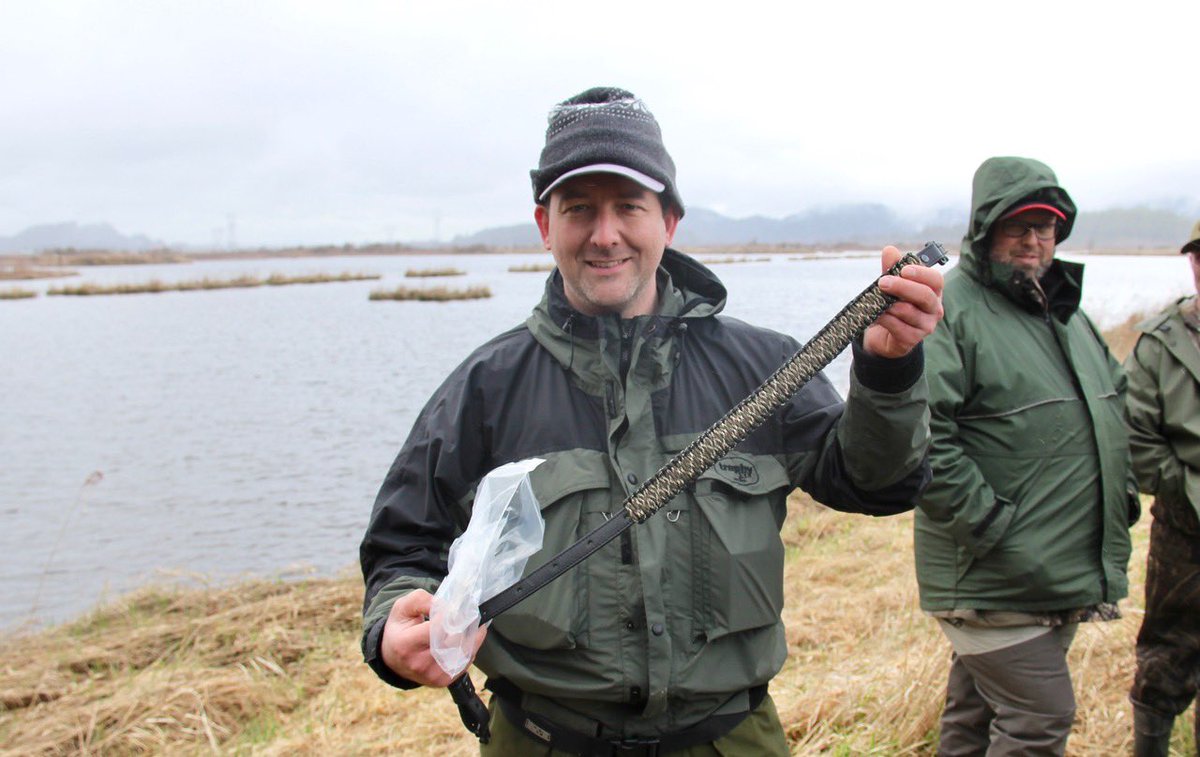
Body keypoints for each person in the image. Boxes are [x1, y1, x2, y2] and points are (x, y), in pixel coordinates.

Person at [360, 86, 945, 756]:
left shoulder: (764, 366)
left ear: (668, 221)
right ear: (545, 225)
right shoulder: (485, 388)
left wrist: (889, 367)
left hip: (732, 738)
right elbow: (402, 546)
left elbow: (876, 484)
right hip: (544, 738)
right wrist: (393, 623)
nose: (604, 234)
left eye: (628, 207)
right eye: (578, 209)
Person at [914, 156, 1138, 755]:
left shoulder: (1061, 311)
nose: (1035, 239)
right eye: (1018, 225)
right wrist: (994, 528)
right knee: (1039, 719)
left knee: (975, 719)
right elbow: (923, 438)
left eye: (1047, 226)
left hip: (1049, 566)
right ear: (986, 231)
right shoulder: (951, 307)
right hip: (996, 576)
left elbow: (1115, 406)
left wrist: (1124, 496)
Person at [1124, 219, 1200, 756]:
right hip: (1185, 530)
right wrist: (1188, 489)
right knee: (1166, 659)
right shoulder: (1160, 343)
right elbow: (1136, 441)